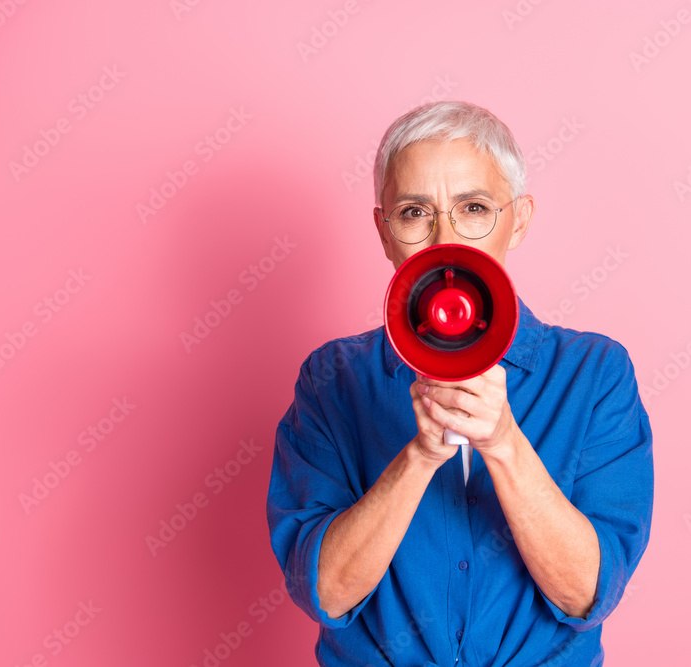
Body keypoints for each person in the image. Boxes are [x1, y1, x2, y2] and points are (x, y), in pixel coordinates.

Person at [266, 100, 653, 666]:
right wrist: (421, 454)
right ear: (383, 230)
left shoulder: (595, 375)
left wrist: (503, 443)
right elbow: (325, 591)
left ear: (518, 220)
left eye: (473, 208)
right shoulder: (332, 380)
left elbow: (586, 593)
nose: (445, 239)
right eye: (414, 212)